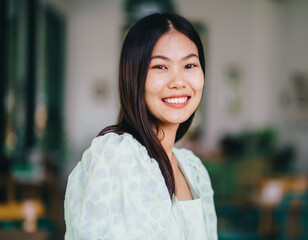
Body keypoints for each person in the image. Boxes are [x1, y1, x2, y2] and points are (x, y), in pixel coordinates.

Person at [64, 12, 217, 240]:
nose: (178, 82)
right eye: (160, 67)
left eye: (190, 65)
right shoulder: (117, 156)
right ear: (134, 76)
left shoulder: (194, 170)